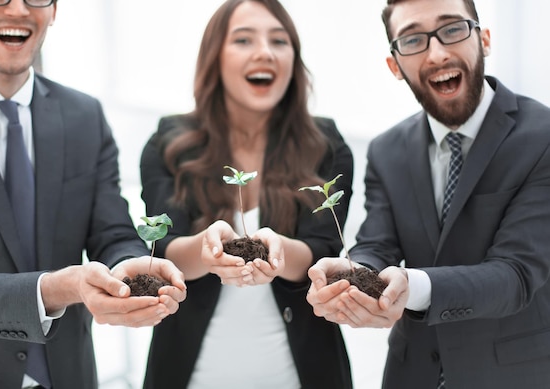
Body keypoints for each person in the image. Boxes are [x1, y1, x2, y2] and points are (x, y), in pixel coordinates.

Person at [0, 0, 187, 388]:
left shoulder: (85, 117)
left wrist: (130, 268)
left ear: (55, 10)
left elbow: (111, 234)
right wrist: (62, 288)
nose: (18, 9)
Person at [306, 0, 550, 388]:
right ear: (395, 66)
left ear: (483, 39)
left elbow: (516, 275)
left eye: (453, 29)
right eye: (413, 39)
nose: (437, 53)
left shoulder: (542, 137)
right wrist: (355, 277)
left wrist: (412, 286)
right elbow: (376, 244)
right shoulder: (387, 150)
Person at [139, 1, 355, 388]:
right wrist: (207, 250)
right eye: (243, 39)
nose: (265, 52)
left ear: (294, 58)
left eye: (279, 40)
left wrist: (279, 253)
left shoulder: (325, 146)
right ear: (214, 57)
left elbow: (322, 250)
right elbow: (165, 251)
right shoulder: (169, 144)